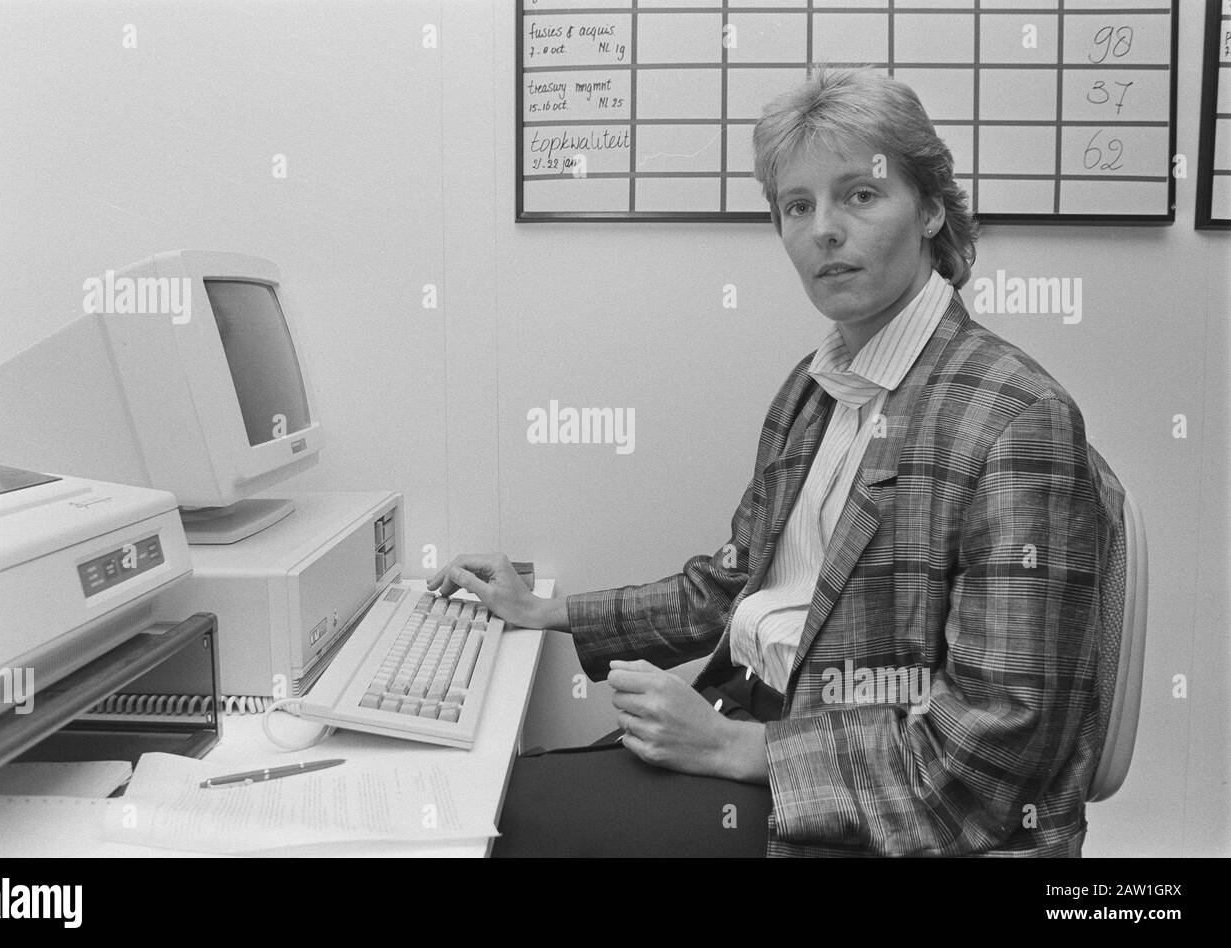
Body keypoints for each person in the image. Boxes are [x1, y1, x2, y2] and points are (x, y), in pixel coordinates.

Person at [431, 66, 1124, 857]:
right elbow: (730, 584)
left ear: (932, 209)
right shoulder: (818, 385)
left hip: (866, 818)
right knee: (492, 801)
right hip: (755, 726)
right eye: (797, 206)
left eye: (859, 195)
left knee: (506, 831)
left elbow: (998, 750)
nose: (823, 229)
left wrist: (741, 752)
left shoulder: (1015, 418)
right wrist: (543, 611)